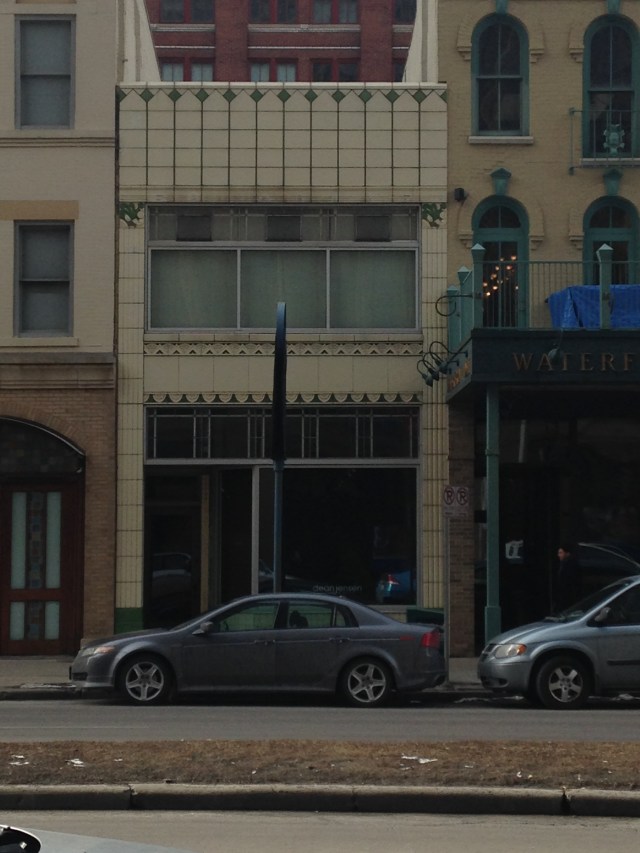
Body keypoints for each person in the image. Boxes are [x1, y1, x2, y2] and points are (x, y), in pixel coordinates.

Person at [555, 544, 581, 611]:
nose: (559, 555)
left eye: (561, 553)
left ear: (567, 553)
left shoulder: (570, 565)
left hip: (568, 593)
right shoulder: (563, 564)